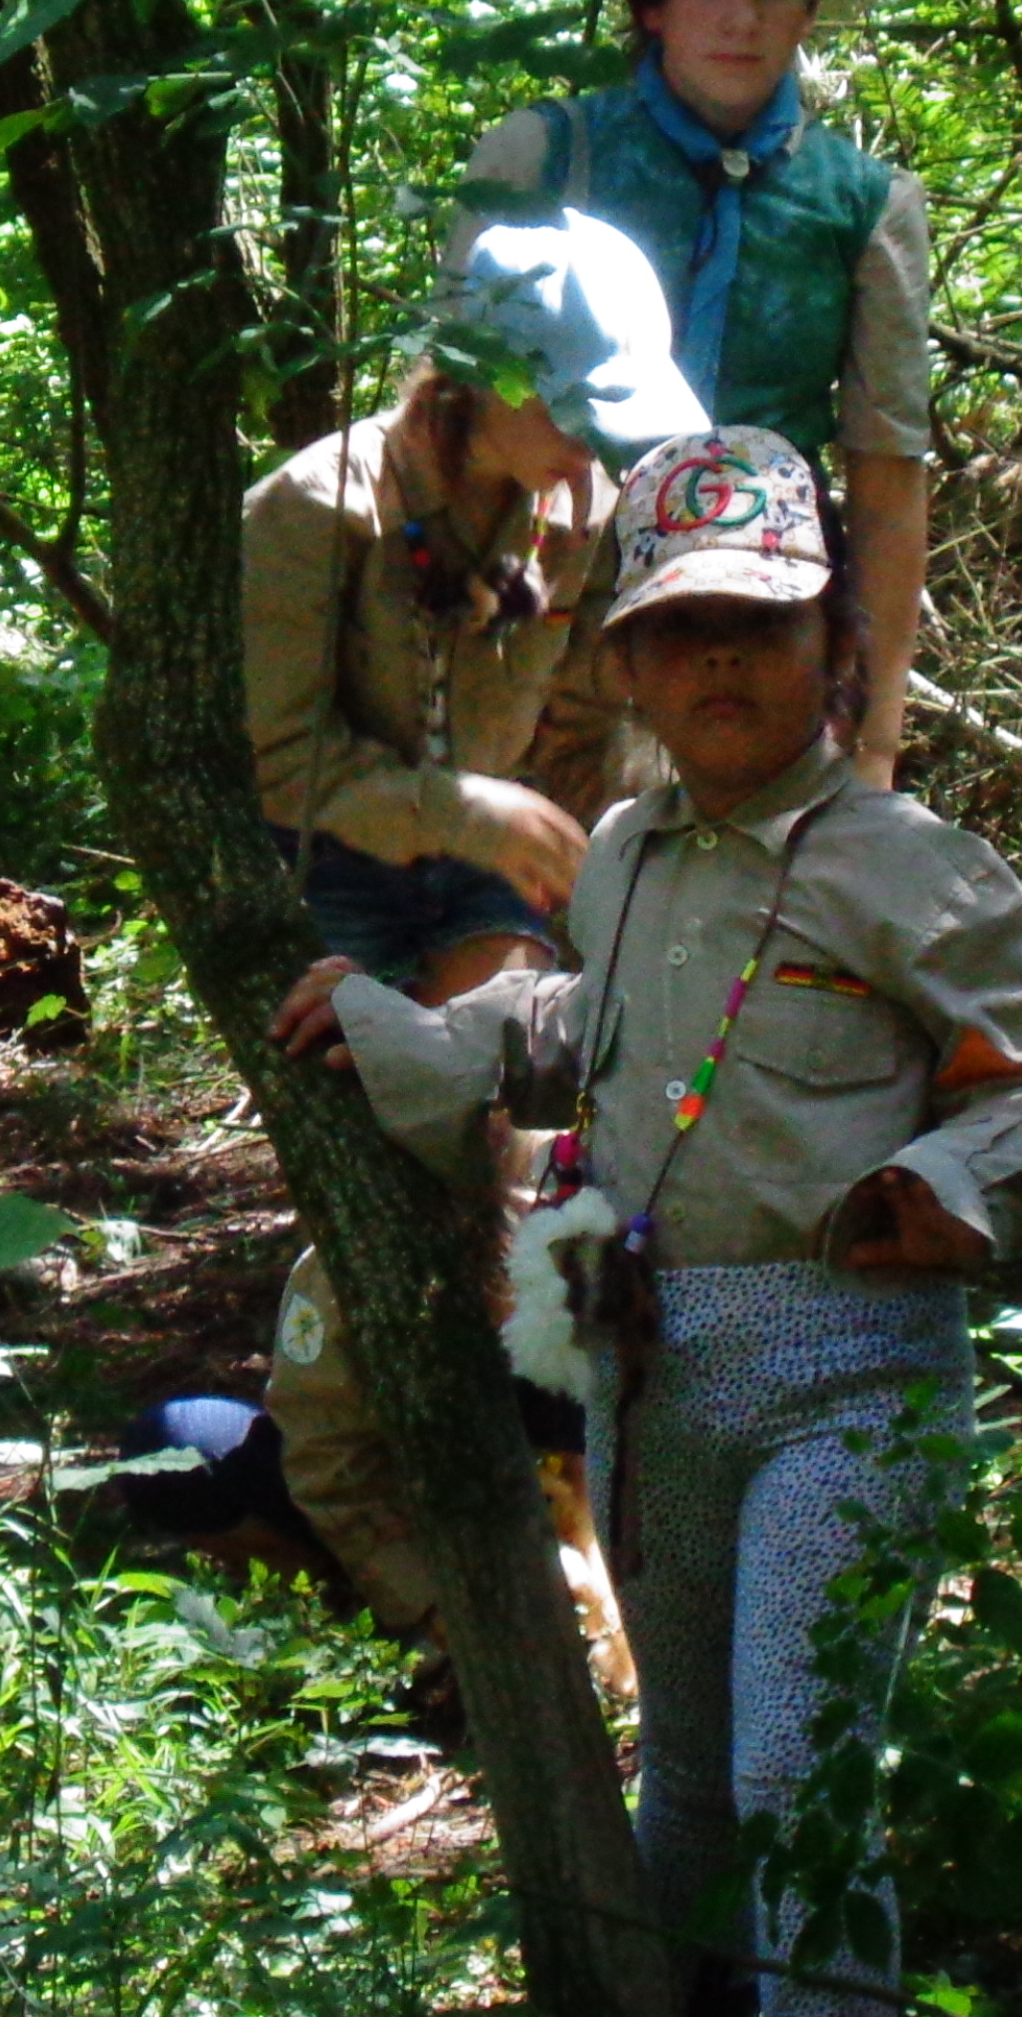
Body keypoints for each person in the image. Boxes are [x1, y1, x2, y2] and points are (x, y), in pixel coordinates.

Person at [272, 433, 1022, 2017]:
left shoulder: (909, 865)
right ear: (627, 667)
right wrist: (379, 1017)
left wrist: (939, 1192)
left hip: (850, 1367)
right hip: (655, 1371)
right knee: (697, 1757)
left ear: (832, 652)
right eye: (677, 632)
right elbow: (587, 1037)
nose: (719, 664)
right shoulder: (626, 853)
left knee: (808, 1736)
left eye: (759, 626)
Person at [240, 215, 705, 1676]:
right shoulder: (315, 513)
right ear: (476, 380)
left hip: (488, 891)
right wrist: (457, 807)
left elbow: (574, 727)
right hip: (341, 886)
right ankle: (410, 1553)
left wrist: (605, 886)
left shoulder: (577, 513)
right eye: (571, 412)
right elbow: (281, 764)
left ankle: (578, 1510)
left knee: (516, 1160)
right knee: (393, 1190)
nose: (590, 451)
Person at [453, 0, 936, 784]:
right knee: (532, 902)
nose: (740, 18)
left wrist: (874, 732)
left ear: (806, 9)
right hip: (548, 616)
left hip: (762, 621)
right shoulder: (546, 158)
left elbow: (887, 478)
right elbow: (447, 420)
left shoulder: (864, 202)